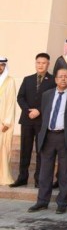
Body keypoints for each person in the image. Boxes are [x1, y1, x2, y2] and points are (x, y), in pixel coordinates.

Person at [28, 68, 67, 215]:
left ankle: (62, 203)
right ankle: (42, 201)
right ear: (56, 79)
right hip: (48, 136)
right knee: (45, 172)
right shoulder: (47, 94)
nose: (63, 79)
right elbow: (45, 115)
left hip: (66, 137)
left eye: (66, 77)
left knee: (65, 173)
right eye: (60, 76)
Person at [11, 52, 55, 188]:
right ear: (35, 63)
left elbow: (52, 99)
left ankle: (38, 179)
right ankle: (22, 177)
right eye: (38, 62)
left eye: (43, 63)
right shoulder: (27, 79)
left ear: (48, 64)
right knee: (25, 150)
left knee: (40, 151)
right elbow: (20, 97)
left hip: (42, 121)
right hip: (27, 120)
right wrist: (28, 110)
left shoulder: (53, 80)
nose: (40, 65)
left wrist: (39, 110)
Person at [0, 57, 16, 185]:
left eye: (2, 65)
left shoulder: (10, 81)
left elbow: (11, 102)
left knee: (3, 150)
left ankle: (3, 177)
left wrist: (7, 122)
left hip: (3, 123)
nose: (0, 67)